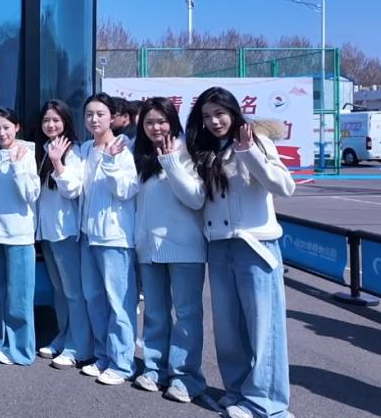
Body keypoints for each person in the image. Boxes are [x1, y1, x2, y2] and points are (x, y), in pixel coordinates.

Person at [186, 87, 296, 418]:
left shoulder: (257, 142)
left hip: (254, 244)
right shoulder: (206, 150)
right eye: (207, 116)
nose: (214, 121)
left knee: (263, 328)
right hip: (219, 245)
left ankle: (266, 403)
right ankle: (238, 390)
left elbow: (284, 186)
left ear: (233, 112)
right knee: (228, 329)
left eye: (220, 113)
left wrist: (249, 153)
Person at [131, 97, 208, 403]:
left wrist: (172, 163)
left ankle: (186, 377)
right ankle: (154, 369)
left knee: (187, 315)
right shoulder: (139, 154)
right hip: (149, 248)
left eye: (161, 121)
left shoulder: (188, 151)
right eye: (149, 122)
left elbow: (196, 199)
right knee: (155, 312)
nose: (155, 128)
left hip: (185, 247)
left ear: (173, 122)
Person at [78, 92, 139, 385]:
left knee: (119, 303)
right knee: (94, 299)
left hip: (114, 237)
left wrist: (112, 162)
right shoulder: (85, 148)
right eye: (89, 114)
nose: (94, 119)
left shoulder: (124, 149)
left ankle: (123, 363)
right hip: (88, 235)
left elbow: (127, 191)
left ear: (112, 117)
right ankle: (103, 355)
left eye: (100, 114)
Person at [0, 107, 40, 366]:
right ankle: (4, 341)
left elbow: (30, 194)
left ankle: (22, 351)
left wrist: (17, 167)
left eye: (6, 127)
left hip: (19, 236)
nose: (2, 133)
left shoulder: (26, 155)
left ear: (17, 127)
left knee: (19, 297)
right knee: (0, 294)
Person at [33, 100, 92, 370]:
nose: (51, 125)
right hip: (48, 232)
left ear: (66, 122)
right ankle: (64, 335)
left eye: (56, 120)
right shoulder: (45, 149)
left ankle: (78, 345)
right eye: (46, 120)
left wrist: (58, 162)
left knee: (73, 292)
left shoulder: (73, 151)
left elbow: (73, 190)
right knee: (59, 290)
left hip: (65, 232)